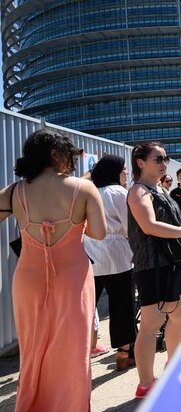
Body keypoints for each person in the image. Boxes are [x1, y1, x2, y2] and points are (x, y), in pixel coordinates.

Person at [0, 129, 107, 411]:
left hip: (28, 280)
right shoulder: (83, 189)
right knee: (73, 350)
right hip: (73, 278)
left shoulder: (16, 191)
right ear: (55, 154)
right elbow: (99, 233)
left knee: (33, 349)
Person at [127, 142, 181, 399]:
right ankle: (145, 383)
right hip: (151, 265)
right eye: (158, 159)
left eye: (165, 158)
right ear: (140, 162)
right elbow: (148, 225)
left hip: (171, 264)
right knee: (151, 323)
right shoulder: (138, 191)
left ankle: (173, 364)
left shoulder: (159, 190)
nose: (164, 163)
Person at [83, 155, 137, 372]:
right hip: (118, 257)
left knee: (87, 308)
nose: (126, 173)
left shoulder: (89, 191)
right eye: (124, 169)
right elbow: (129, 227)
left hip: (90, 256)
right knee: (122, 305)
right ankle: (124, 353)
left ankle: (81, 352)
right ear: (115, 172)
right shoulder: (119, 193)